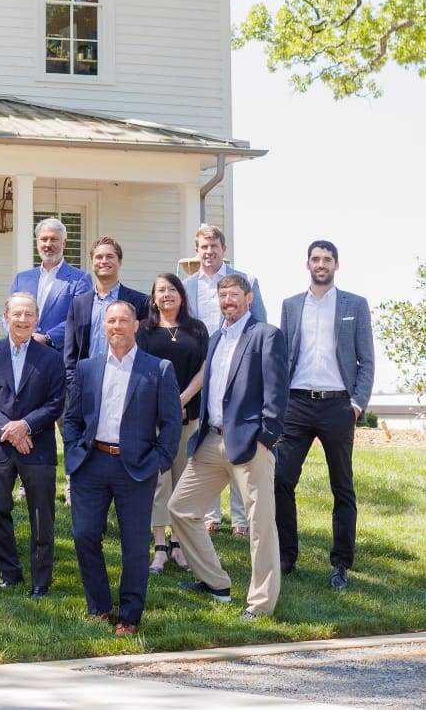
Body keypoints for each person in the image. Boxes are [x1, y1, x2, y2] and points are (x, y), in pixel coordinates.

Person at [169, 273, 288, 619]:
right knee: (181, 507)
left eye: (234, 295)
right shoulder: (217, 337)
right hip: (212, 439)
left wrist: (266, 437)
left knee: (261, 525)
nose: (228, 302)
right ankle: (216, 583)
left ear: (248, 298)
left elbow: (277, 392)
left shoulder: (266, 335)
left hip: (251, 444)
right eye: (223, 297)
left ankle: (261, 604)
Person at [62, 300, 182, 637]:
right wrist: (74, 451)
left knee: (133, 544)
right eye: (111, 320)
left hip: (137, 467)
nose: (117, 326)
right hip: (92, 462)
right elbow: (72, 418)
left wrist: (159, 460)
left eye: (123, 320)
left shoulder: (158, 369)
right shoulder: (88, 368)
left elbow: (172, 423)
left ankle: (129, 616)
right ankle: (99, 606)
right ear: (104, 326)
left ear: (135, 325)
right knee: (84, 535)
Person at [276, 240, 374, 590]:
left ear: (336, 265)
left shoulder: (355, 305)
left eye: (327, 259)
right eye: (316, 259)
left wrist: (356, 403)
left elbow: (367, 361)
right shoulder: (290, 305)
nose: (321, 264)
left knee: (342, 486)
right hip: (297, 403)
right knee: (280, 479)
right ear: (307, 264)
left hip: (337, 405)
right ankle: (286, 556)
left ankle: (341, 563)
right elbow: (281, 358)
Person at [0, 292, 65, 596]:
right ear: (6, 316)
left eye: (28, 314)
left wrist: (25, 426)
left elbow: (56, 402)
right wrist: (9, 430)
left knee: (41, 514)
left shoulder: (51, 358)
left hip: (38, 445)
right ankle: (9, 572)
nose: (22, 320)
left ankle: (41, 579)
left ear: (36, 319)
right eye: (17, 314)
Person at [183, 224, 265, 537]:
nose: (208, 252)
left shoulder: (246, 281)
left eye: (214, 246)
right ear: (197, 249)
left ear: (223, 249)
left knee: (237, 439)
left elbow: (259, 324)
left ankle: (241, 521)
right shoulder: (188, 285)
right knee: (209, 437)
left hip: (237, 365)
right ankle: (210, 515)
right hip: (203, 367)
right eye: (203, 247)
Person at [135, 273, 208, 574]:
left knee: (183, 482)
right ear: (153, 298)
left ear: (181, 294)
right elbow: (139, 369)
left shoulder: (197, 329)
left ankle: (179, 546)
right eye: (160, 291)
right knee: (158, 483)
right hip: (154, 419)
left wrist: (182, 398)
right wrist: (166, 405)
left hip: (188, 414)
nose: (166, 294)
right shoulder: (144, 330)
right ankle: (160, 548)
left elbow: (207, 367)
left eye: (172, 289)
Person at [63, 236, 150, 385]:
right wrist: (73, 386)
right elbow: (70, 354)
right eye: (99, 257)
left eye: (110, 256)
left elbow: (147, 348)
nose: (104, 261)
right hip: (88, 384)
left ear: (120, 262)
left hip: (127, 381)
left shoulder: (140, 302)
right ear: (92, 264)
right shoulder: (78, 304)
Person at [8, 217, 92, 350]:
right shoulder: (22, 278)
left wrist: (47, 338)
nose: (48, 244)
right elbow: (9, 313)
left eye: (53, 239)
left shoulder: (80, 279)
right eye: (44, 239)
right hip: (23, 352)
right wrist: (19, 335)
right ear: (37, 243)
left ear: (64, 243)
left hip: (58, 355)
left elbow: (80, 318)